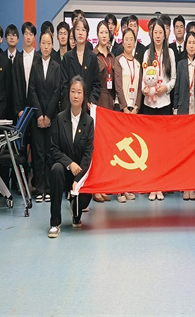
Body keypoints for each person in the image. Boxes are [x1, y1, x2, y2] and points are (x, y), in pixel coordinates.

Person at [47, 76, 94, 238]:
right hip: (64, 169)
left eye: (79, 92)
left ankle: (76, 213)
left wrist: (78, 178)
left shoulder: (89, 121)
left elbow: (88, 154)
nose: (75, 95)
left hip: (79, 172)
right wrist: (69, 164)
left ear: (84, 96)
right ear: (68, 94)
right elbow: (53, 149)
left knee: (86, 194)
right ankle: (55, 223)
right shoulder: (60, 118)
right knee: (56, 169)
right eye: (73, 91)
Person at [142, 18, 176, 201]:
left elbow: (173, 79)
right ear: (151, 34)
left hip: (164, 104)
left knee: (162, 147)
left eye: (160, 32)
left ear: (165, 34)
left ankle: (160, 185)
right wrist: (144, 90)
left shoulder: (170, 53)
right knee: (150, 146)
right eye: (155, 32)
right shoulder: (146, 53)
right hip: (149, 105)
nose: (157, 35)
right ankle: (151, 185)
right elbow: (142, 79)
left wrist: (166, 88)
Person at [28, 29, 61, 203]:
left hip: (52, 117)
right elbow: (32, 90)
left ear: (52, 45)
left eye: (49, 43)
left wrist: (48, 115)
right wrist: (40, 115)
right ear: (39, 45)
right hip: (37, 117)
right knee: (38, 153)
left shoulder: (57, 67)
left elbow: (57, 91)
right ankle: (39, 189)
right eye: (43, 43)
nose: (46, 46)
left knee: (50, 154)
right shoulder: (35, 65)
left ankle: (49, 188)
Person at [173, 31, 195, 201]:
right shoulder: (180, 64)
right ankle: (185, 186)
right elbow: (177, 88)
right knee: (184, 150)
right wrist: (175, 108)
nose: (191, 45)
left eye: (194, 43)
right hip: (184, 111)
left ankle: (194, 185)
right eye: (189, 43)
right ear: (185, 46)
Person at [113, 28, 141, 204]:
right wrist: (124, 107)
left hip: (134, 111)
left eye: (132, 39)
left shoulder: (138, 63)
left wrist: (136, 107)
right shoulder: (118, 60)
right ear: (122, 42)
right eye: (127, 39)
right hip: (121, 109)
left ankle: (129, 186)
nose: (129, 42)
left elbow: (139, 87)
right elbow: (118, 85)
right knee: (121, 149)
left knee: (133, 149)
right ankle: (119, 189)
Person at [92, 20, 115, 203]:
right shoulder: (93, 56)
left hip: (111, 105)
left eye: (106, 32)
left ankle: (105, 185)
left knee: (108, 146)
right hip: (98, 102)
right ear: (97, 35)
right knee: (96, 147)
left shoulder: (112, 57)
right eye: (101, 32)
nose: (104, 35)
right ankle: (96, 188)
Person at [60, 17, 101, 111]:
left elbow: (96, 84)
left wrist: (91, 101)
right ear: (73, 32)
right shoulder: (67, 57)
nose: (80, 33)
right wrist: (67, 107)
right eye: (77, 29)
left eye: (83, 30)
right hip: (70, 108)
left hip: (87, 108)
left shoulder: (93, 57)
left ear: (87, 33)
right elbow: (64, 86)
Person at [12, 21, 41, 121]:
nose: (28, 37)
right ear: (23, 36)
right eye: (26, 34)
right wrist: (18, 109)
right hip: (21, 108)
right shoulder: (17, 59)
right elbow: (15, 86)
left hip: (37, 109)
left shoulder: (39, 58)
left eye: (31, 34)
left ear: (34, 37)